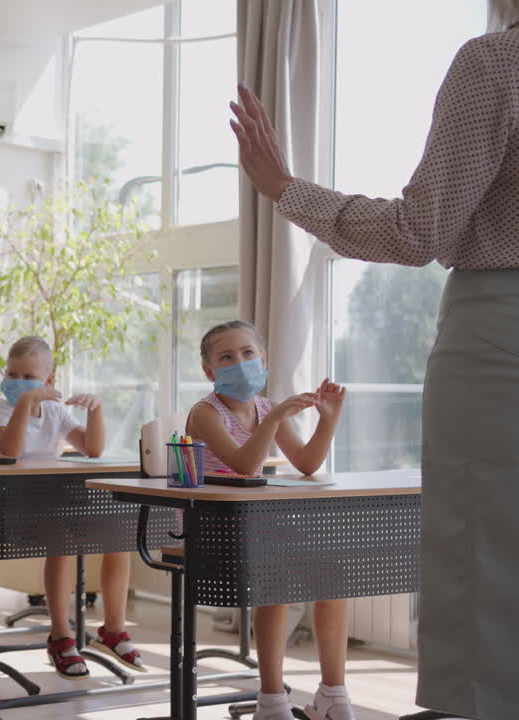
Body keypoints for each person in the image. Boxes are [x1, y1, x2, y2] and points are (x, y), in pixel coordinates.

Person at [229, 5, 519, 714]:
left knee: (483, 554)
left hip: (499, 334)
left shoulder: (496, 63)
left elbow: (420, 231)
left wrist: (285, 190)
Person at [185, 321, 348, 720]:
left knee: (334, 573)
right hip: (212, 526)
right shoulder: (206, 413)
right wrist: (274, 418)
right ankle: (272, 700)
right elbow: (244, 465)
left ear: (264, 359)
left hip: (256, 524)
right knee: (277, 575)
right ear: (209, 371)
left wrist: (328, 420)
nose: (239, 363)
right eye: (226, 357)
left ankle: (333, 695)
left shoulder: (264, 408)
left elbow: (306, 463)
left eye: (247, 353)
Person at [0, 337, 142, 677]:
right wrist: (26, 402)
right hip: (12, 505)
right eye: (12, 374)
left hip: (55, 501)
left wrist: (96, 411)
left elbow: (92, 449)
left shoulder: (54, 410)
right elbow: (10, 451)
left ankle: (113, 630)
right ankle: (60, 635)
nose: (18, 382)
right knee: (62, 538)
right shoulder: (0, 411)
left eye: (28, 377)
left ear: (48, 381)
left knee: (119, 534)